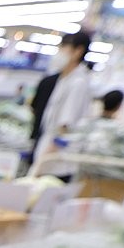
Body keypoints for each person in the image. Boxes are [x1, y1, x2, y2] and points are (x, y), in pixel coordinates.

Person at [29, 30, 93, 179]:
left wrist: (44, 159)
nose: (59, 52)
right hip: (47, 153)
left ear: (78, 51)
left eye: (64, 47)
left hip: (57, 161)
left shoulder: (79, 83)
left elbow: (65, 126)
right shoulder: (63, 79)